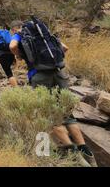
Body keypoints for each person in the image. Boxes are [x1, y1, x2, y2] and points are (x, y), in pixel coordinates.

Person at [9, 19, 97, 167]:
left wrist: (21, 56)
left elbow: (12, 46)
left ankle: (76, 157)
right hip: (59, 72)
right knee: (68, 115)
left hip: (39, 75)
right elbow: (65, 48)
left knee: (49, 115)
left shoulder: (20, 34)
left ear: (14, 28)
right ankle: (90, 158)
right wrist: (55, 62)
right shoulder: (45, 34)